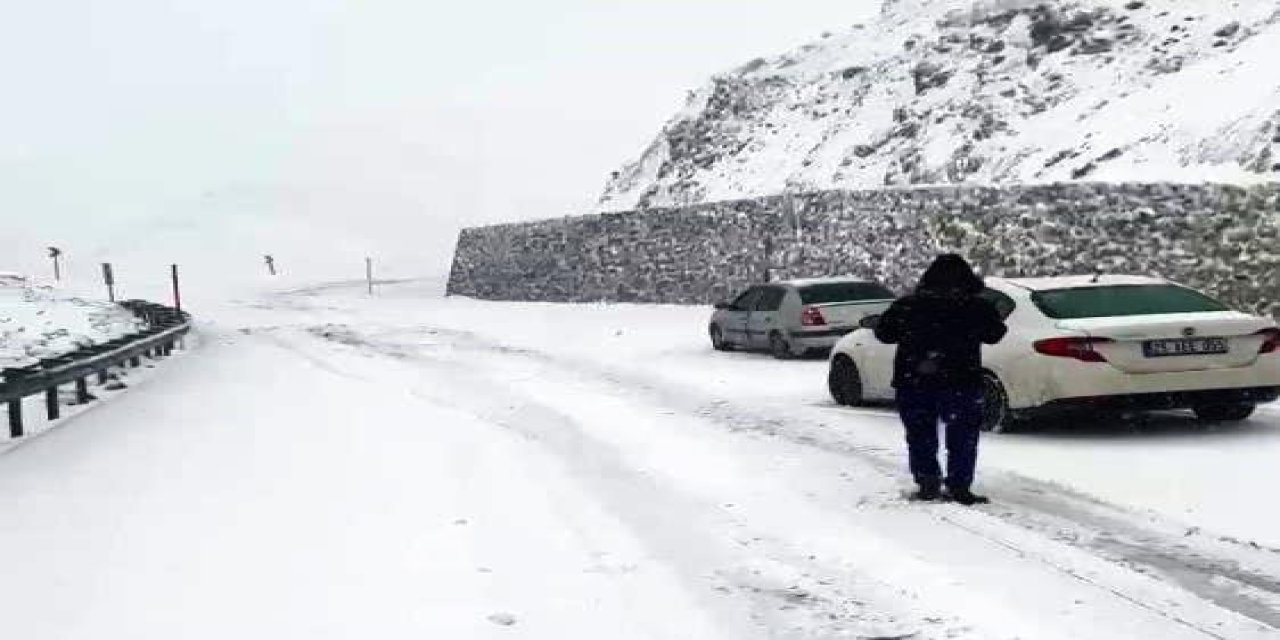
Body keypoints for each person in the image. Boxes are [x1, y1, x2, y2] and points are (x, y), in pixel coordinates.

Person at [874, 254, 1007, 505]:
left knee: (920, 435)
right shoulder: (977, 307)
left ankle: (928, 483)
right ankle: (960, 486)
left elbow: (884, 334)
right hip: (962, 380)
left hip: (915, 380)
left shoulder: (908, 306)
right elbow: (995, 334)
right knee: (963, 437)